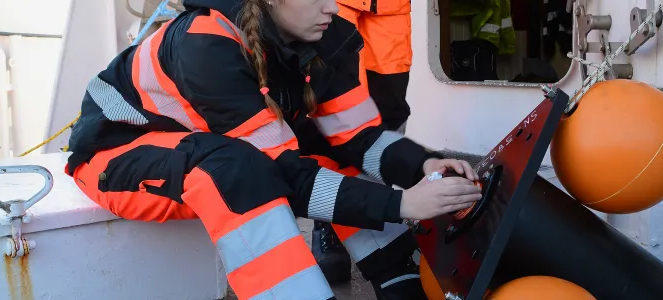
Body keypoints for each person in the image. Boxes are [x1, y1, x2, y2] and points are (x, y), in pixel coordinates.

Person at [63, 0, 483, 299]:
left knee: (321, 150)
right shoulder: (205, 43)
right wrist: (402, 204)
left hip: (210, 149)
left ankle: (400, 281)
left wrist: (421, 164)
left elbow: (357, 138)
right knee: (234, 170)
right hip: (114, 156)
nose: (334, 8)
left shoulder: (325, 36)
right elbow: (281, 174)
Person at [311, 0, 416, 284]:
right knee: (336, 108)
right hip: (338, 4)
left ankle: (383, 211)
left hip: (391, 10)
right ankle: (328, 220)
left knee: (390, 110)